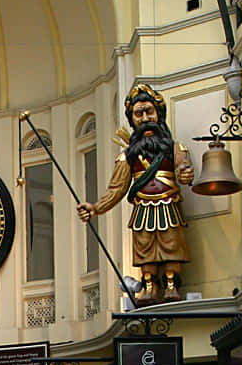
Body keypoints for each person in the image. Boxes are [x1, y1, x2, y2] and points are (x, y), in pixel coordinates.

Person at [76, 81, 194, 304]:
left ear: (158, 114)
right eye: (138, 114)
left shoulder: (174, 148)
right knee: (145, 247)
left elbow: (183, 167)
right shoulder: (127, 157)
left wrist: (185, 173)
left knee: (171, 243)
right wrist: (95, 208)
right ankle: (149, 287)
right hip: (142, 209)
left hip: (169, 203)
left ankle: (171, 285)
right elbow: (116, 189)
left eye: (149, 111)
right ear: (132, 120)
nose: (145, 118)